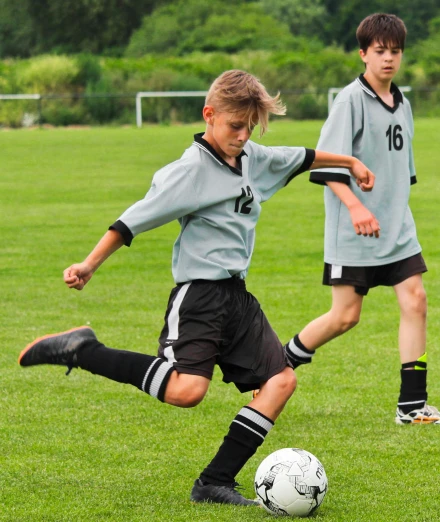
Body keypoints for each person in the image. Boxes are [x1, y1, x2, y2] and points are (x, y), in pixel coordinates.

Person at [18, 69, 375, 505]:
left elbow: (301, 157)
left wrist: (351, 163)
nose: (243, 136)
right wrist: (89, 264)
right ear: (210, 115)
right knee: (188, 391)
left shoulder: (252, 158)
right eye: (234, 126)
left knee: (281, 382)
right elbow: (134, 219)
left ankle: (214, 482)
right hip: (200, 297)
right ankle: (82, 350)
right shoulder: (188, 172)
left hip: (238, 298)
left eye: (249, 127)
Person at [278, 13, 440, 426]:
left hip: (396, 229)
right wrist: (356, 207)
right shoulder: (349, 101)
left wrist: (395, 216)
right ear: (363, 54)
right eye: (380, 52)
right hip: (353, 230)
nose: (388, 59)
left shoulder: (403, 102)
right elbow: (324, 166)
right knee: (344, 317)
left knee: (416, 300)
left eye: (395, 52)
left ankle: (412, 407)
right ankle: (274, 365)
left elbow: (400, 173)